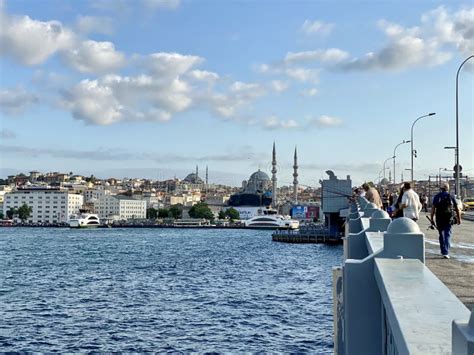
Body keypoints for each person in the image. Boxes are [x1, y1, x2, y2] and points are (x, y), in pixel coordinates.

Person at [431, 182, 461, 259]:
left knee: (441, 235)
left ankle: (443, 251)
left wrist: (432, 219)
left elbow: (433, 209)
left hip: (439, 218)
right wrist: (458, 219)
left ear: (441, 188)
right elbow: (457, 209)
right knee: (447, 234)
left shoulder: (437, 196)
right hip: (449, 218)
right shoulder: (451, 196)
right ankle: (445, 251)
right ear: (448, 188)